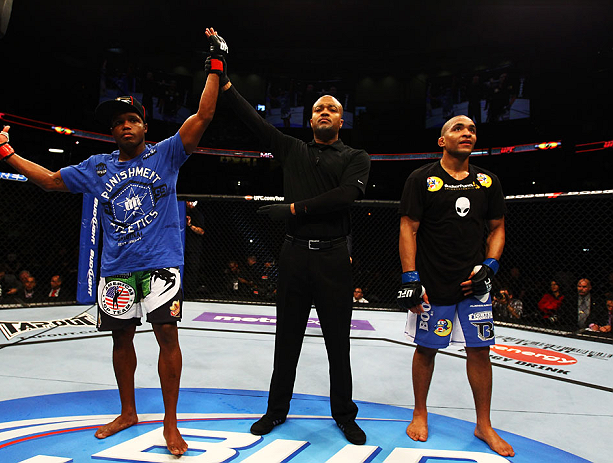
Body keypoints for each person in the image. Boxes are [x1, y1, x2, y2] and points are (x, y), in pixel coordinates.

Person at [0, 28, 223, 456]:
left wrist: (216, 65)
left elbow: (201, 117)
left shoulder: (165, 153)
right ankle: (128, 412)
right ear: (113, 132)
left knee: (167, 337)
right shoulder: (97, 166)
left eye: (132, 120)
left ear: (145, 125)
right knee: (120, 340)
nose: (125, 126)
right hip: (116, 270)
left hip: (161, 264)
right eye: (118, 123)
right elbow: (52, 181)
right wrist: (4, 153)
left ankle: (170, 424)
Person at [207, 29, 370, 445]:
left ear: (341, 119)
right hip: (295, 256)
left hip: (334, 257)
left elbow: (345, 197)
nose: (324, 113)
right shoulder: (293, 149)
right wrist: (222, 74)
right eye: (318, 108)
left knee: (339, 343)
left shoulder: (356, 158)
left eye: (332, 109)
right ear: (309, 118)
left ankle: (344, 416)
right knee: (287, 340)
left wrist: (294, 209)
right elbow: (251, 118)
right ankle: (276, 411)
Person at [396, 115, 513, 457]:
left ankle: (484, 425)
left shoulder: (487, 182)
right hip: (433, 281)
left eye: (472, 129)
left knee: (480, 351)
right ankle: (420, 412)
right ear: (441, 141)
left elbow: (498, 228)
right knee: (427, 348)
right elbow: (408, 228)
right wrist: (410, 277)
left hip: (474, 283)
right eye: (457, 129)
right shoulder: (422, 179)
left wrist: (490, 265)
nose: (466, 133)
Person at [183, 200, 206, 297]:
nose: (188, 203)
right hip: (182, 248)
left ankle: (190, 293)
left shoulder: (197, 214)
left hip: (193, 248)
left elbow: (201, 231)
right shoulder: (181, 212)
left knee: (192, 271)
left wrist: (190, 225)